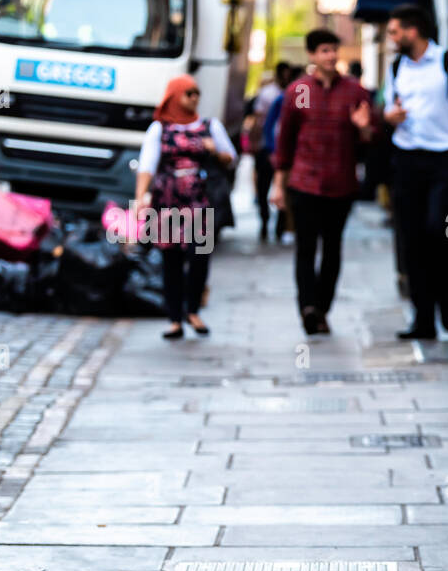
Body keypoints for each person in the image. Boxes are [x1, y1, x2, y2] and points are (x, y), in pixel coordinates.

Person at [383, 3, 448, 341]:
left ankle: (443, 294)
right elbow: (388, 107)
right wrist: (390, 117)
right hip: (407, 159)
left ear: (413, 31)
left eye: (395, 32)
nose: (391, 38)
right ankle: (423, 320)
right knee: (410, 241)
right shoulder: (396, 66)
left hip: (442, 161)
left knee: (438, 230)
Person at [270, 30, 376, 335]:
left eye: (334, 50)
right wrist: (279, 184)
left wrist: (365, 129)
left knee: (332, 249)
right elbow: (285, 141)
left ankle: (322, 307)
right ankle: (307, 307)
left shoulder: (355, 92)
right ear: (312, 56)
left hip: (341, 184)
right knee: (305, 248)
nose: (331, 56)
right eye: (325, 51)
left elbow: (370, 141)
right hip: (304, 183)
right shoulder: (298, 91)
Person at [135, 75, 235, 340]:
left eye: (196, 93)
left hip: (200, 201)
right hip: (169, 201)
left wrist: (214, 151)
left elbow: (230, 158)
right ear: (174, 96)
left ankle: (193, 310)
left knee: (199, 257)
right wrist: (139, 199)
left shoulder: (210, 127)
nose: (193, 98)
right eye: (188, 93)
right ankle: (174, 318)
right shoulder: (160, 129)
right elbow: (147, 166)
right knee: (172, 260)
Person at [245, 61, 291, 243]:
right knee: (264, 188)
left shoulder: (296, 94)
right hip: (268, 148)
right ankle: (265, 220)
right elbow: (259, 121)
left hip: (283, 149)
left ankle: (280, 225)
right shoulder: (270, 94)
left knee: (283, 189)